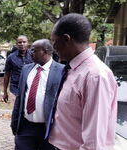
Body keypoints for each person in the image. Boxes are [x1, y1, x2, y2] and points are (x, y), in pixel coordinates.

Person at [47, 13, 118, 149]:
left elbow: (94, 143)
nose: (53, 48)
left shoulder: (94, 76)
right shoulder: (73, 69)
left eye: (54, 42)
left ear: (66, 39)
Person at [11, 39, 64, 150]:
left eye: (34, 50)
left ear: (45, 51)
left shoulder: (61, 71)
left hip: (49, 129)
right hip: (25, 127)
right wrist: (15, 122)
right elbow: (20, 98)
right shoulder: (26, 69)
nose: (30, 52)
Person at [3, 35, 33, 102]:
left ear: (27, 43)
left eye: (24, 42)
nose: (22, 44)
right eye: (20, 42)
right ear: (16, 44)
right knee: (16, 110)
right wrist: (5, 91)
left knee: (27, 111)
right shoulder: (11, 57)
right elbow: (7, 74)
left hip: (30, 88)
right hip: (15, 89)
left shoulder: (33, 55)